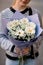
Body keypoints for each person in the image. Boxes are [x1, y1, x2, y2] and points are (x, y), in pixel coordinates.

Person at [0, 0, 43, 65]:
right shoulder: (4, 14)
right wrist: (13, 48)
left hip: (31, 59)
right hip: (12, 60)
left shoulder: (35, 13)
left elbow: (40, 35)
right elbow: (1, 37)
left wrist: (30, 48)